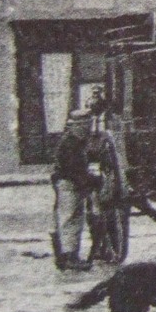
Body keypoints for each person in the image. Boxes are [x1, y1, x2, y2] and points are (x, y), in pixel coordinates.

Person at [51, 108, 97, 271]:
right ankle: (68, 257)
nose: (88, 130)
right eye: (85, 126)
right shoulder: (70, 144)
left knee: (72, 218)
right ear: (77, 126)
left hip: (70, 183)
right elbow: (72, 169)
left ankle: (67, 256)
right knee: (70, 219)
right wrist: (90, 180)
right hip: (68, 184)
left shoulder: (75, 142)